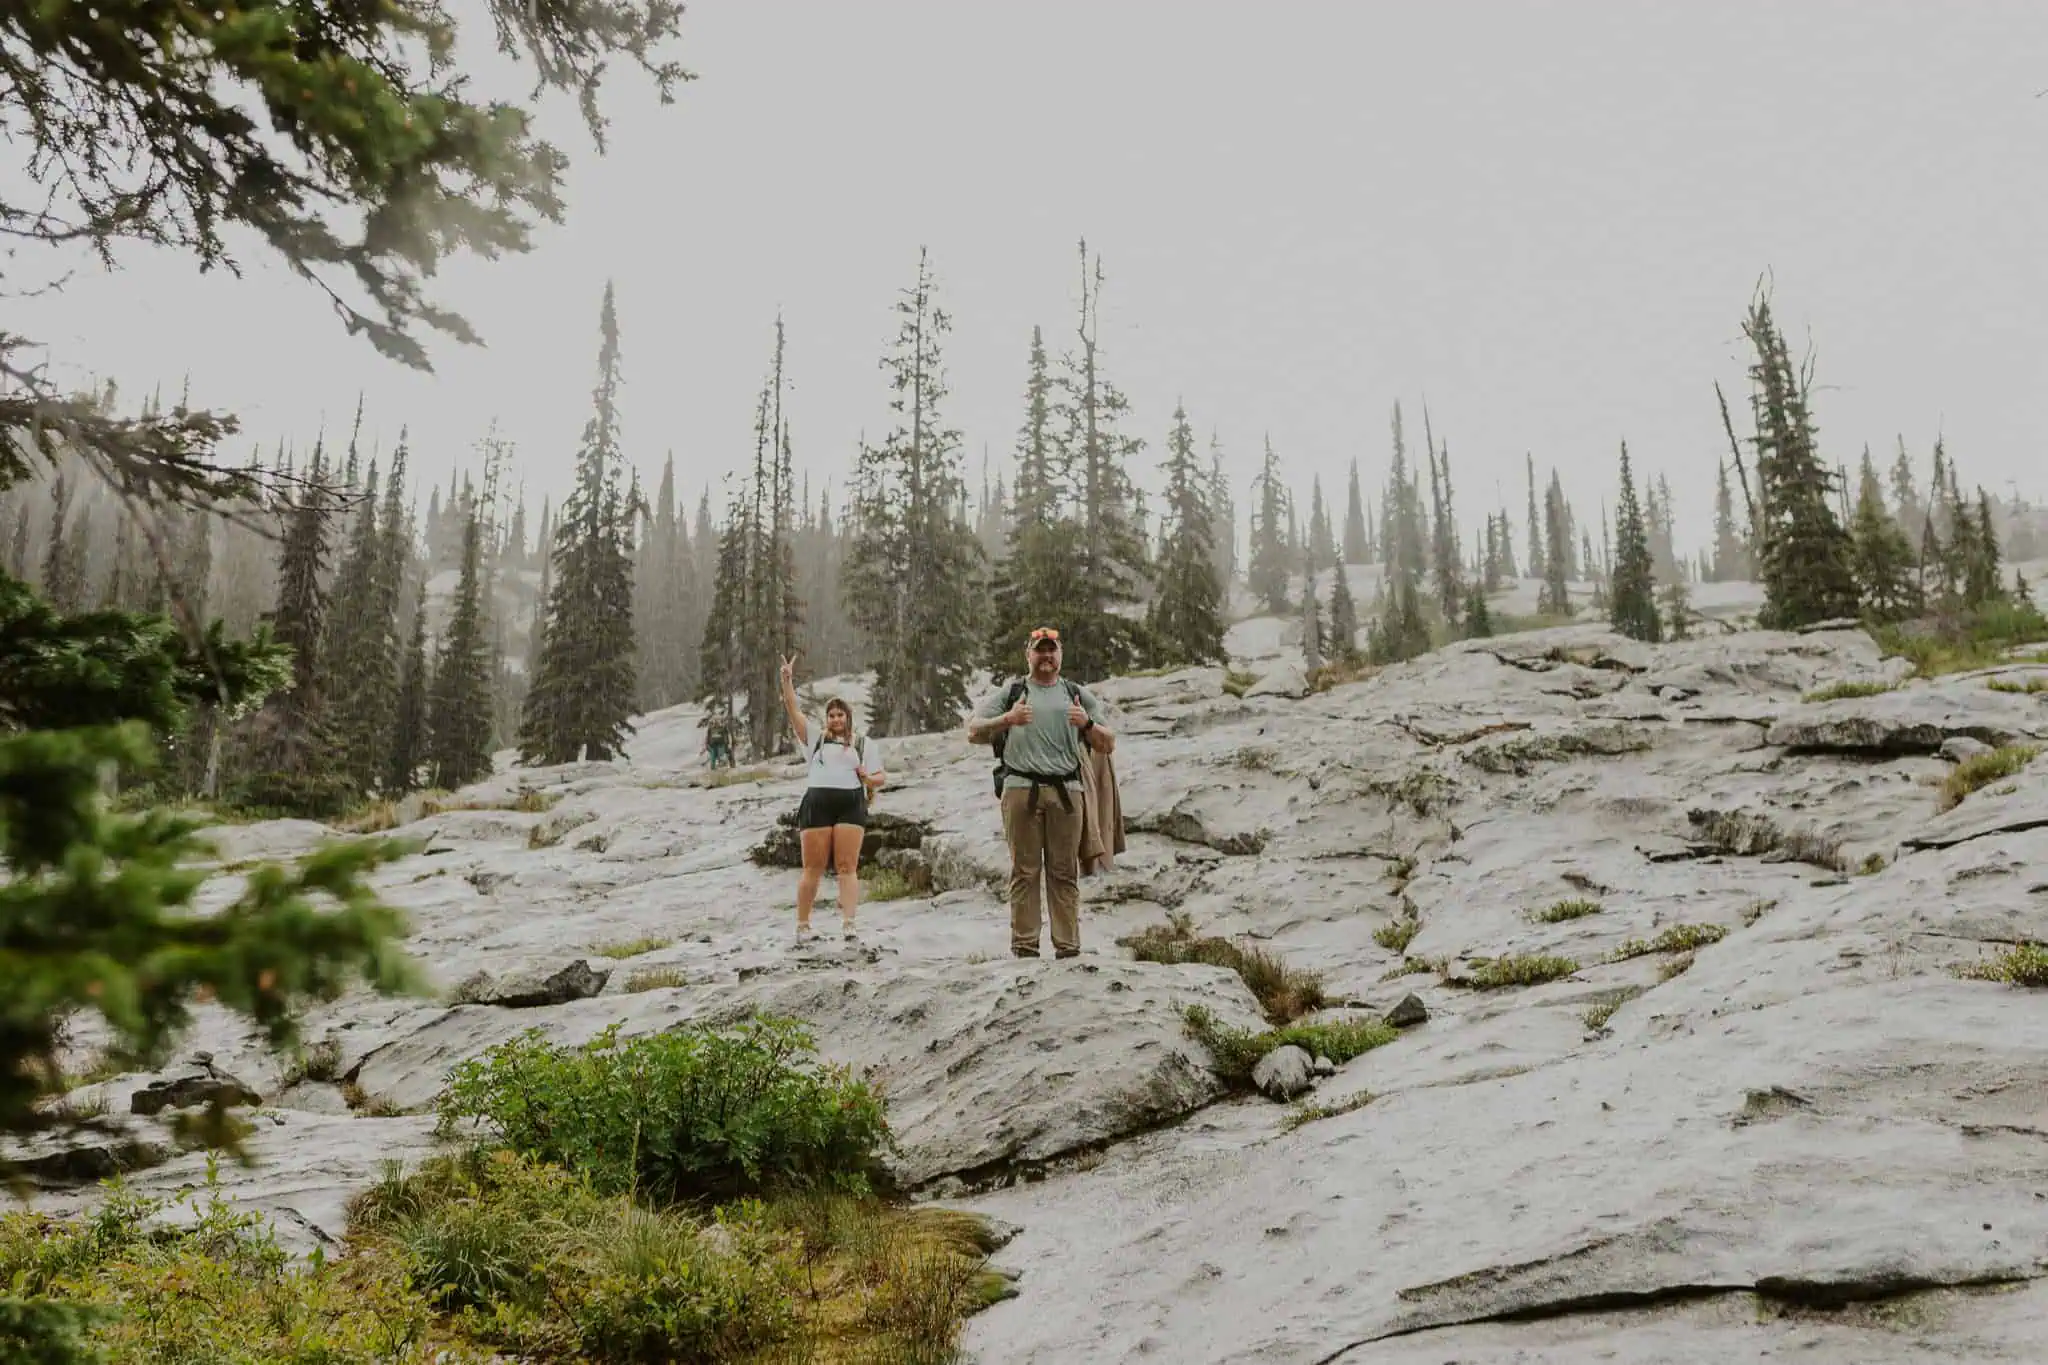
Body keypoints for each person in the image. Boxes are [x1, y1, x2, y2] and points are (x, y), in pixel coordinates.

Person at [966, 627, 1115, 959]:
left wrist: (1087, 724)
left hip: (1067, 791)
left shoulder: (1077, 694)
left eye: (1052, 650)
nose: (1046, 656)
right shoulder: (1013, 692)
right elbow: (973, 731)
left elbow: (1108, 742)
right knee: (1024, 870)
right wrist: (1008, 718)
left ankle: (1068, 947)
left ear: (1060, 654)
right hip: (1020, 789)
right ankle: (1025, 947)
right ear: (1028, 655)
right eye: (1039, 650)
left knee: (1064, 872)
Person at [779, 655, 884, 943]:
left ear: (848, 718)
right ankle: (803, 925)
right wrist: (787, 680)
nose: (836, 719)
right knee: (812, 867)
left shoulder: (863, 744)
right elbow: (793, 710)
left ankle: (849, 922)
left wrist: (867, 778)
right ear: (827, 719)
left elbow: (880, 777)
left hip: (851, 804)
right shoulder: (815, 739)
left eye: (841, 715)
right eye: (831, 715)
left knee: (847, 866)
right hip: (818, 805)